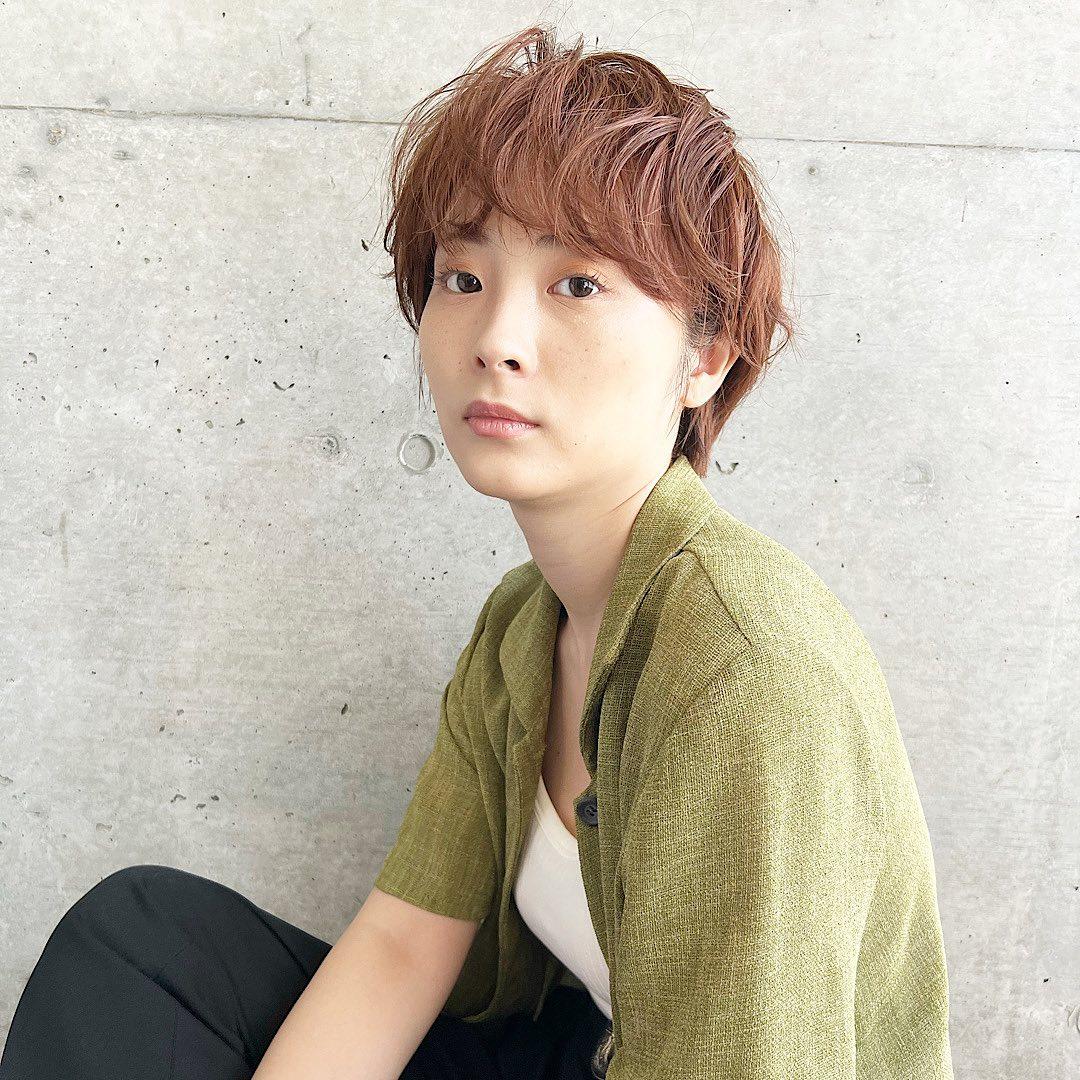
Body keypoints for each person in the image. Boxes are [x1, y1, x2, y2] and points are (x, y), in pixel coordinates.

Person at [0, 23, 955, 1080]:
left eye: (577, 285)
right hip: (569, 1050)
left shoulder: (748, 672)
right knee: (140, 944)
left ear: (706, 358)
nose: (496, 338)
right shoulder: (522, 628)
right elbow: (403, 945)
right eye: (463, 277)